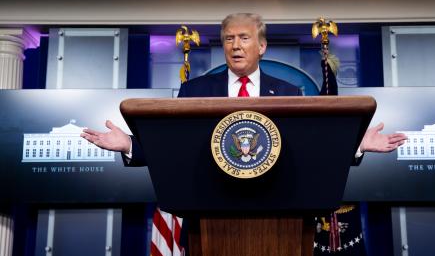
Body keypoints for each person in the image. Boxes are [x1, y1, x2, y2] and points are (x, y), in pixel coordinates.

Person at [80, 12, 406, 156]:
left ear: (261, 46)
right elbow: (175, 149)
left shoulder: (290, 94)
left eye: (244, 38)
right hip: (209, 210)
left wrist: (356, 144)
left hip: (275, 209)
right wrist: (131, 145)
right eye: (229, 39)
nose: (235, 46)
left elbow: (306, 149)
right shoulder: (195, 91)